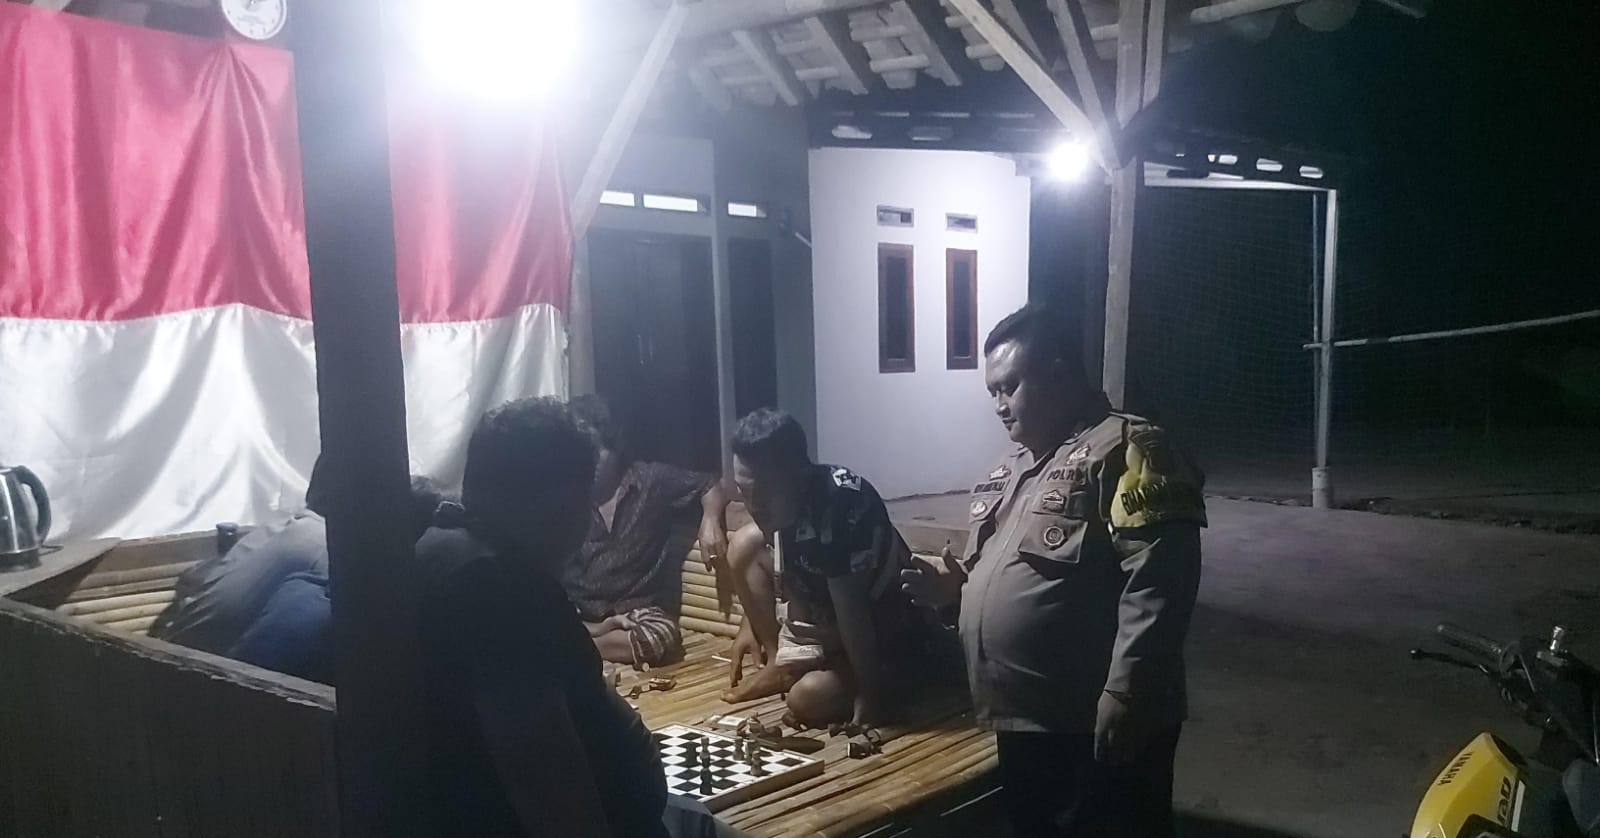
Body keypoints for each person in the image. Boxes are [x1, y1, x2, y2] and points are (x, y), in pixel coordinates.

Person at [900, 304, 1205, 838]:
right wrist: (955, 592)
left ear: (1059, 372)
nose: (999, 405)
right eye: (992, 391)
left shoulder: (1128, 449)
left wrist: (1126, 693)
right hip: (1025, 718)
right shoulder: (1011, 470)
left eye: (1009, 386)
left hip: (1094, 718)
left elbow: (1160, 582)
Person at [414, 397, 669, 838]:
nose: (585, 522)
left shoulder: (441, 546)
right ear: (556, 501)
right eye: (584, 499)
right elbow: (543, 781)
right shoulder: (500, 590)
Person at [720, 408, 917, 729]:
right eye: (744, 491)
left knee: (806, 699)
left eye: (765, 492)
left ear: (797, 476)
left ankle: (885, 681)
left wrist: (870, 695)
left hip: (883, 630)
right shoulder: (785, 502)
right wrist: (748, 624)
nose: (754, 505)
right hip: (826, 622)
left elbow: (853, 614)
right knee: (744, 544)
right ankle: (780, 664)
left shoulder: (839, 508)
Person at [150, 457, 441, 660]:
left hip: (167, 654)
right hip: (199, 681)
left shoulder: (284, 528)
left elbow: (195, 581)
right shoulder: (333, 553)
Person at [565, 395, 731, 668]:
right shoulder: (565, 497)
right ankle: (581, 642)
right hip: (580, 615)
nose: (587, 463)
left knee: (659, 638)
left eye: (596, 452)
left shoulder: (651, 481)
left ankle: (576, 647)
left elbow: (710, 484)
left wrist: (711, 521)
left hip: (639, 612)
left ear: (615, 447)